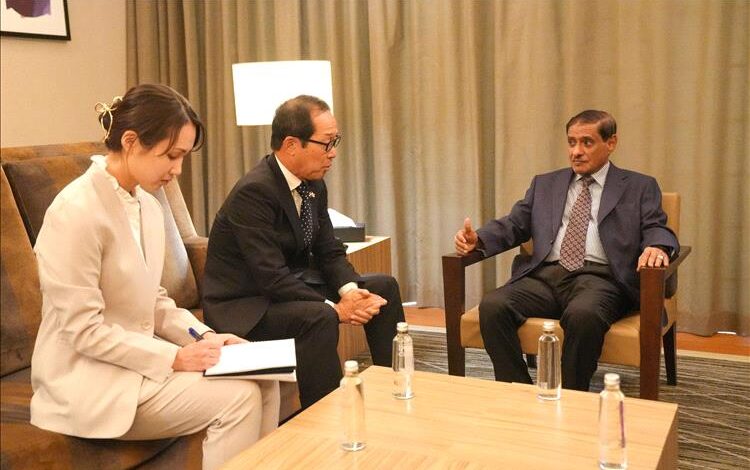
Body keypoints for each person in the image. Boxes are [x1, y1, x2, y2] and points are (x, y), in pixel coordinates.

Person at [30, 84, 279, 470]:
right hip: (87, 380)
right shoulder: (75, 212)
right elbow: (83, 330)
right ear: (130, 141)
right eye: (172, 155)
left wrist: (205, 338)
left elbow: (156, 299)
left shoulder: (146, 205)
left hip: (135, 366)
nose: (177, 170)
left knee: (265, 379)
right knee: (238, 398)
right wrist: (175, 357)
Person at [202, 95, 405, 409]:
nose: (333, 152)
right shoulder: (254, 192)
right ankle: (325, 415)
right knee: (320, 316)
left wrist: (351, 293)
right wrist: (335, 307)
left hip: (289, 287)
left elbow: (328, 251)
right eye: (326, 143)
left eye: (335, 141)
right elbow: (271, 277)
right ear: (291, 145)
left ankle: (393, 390)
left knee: (383, 288)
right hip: (248, 304)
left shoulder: (313, 184)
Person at [454, 110, 679, 391]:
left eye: (587, 142)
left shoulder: (639, 186)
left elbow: (656, 226)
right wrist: (479, 239)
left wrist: (657, 246)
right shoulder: (545, 183)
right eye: (572, 142)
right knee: (493, 306)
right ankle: (519, 391)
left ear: (611, 143)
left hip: (601, 279)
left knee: (583, 315)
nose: (576, 151)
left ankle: (572, 395)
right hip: (545, 277)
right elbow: (515, 224)